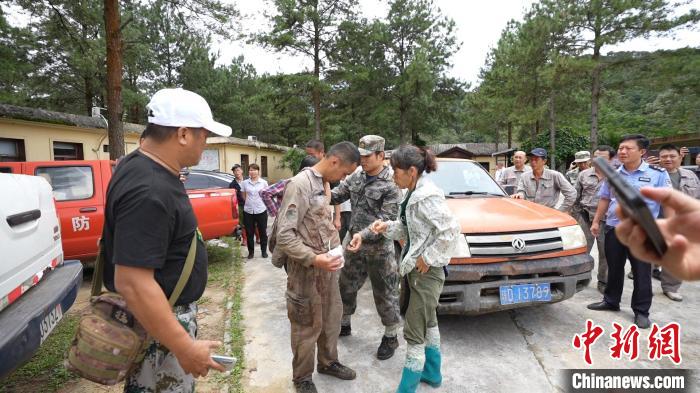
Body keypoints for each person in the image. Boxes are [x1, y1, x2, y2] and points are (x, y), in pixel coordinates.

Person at [102, 88, 231, 392]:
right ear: (184, 134)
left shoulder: (140, 166)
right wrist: (184, 346)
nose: (205, 143)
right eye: (204, 135)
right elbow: (133, 281)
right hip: (158, 330)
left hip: (159, 322)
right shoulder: (150, 189)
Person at [347, 145, 460, 393]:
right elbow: (408, 228)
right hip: (415, 270)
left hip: (425, 273)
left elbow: (450, 231)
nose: (392, 174)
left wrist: (428, 257)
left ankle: (407, 387)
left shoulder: (426, 196)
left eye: (395, 170)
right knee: (428, 323)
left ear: (411, 171)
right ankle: (432, 374)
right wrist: (384, 227)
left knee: (414, 331)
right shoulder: (412, 192)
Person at [275, 142, 360, 393]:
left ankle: (328, 362)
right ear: (334, 162)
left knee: (331, 318)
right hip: (305, 270)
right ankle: (302, 377)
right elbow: (285, 236)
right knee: (305, 324)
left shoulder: (323, 184)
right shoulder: (300, 185)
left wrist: (339, 247)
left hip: (327, 267)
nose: (342, 179)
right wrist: (314, 259)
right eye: (344, 173)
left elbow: (320, 224)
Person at [587, 134, 671, 329]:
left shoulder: (657, 174)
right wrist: (596, 221)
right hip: (614, 229)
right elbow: (605, 199)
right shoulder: (613, 174)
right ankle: (611, 301)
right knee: (614, 268)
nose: (622, 152)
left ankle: (641, 311)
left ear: (642, 152)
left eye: (628, 148)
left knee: (641, 272)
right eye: (621, 148)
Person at [330, 135, 402, 360]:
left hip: (379, 250)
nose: (362, 160)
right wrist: (320, 184)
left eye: (367, 156)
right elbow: (337, 196)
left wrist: (363, 234)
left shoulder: (392, 183)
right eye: (360, 155)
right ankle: (344, 323)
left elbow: (387, 219)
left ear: (381, 155)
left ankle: (391, 336)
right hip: (354, 246)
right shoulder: (356, 176)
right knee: (345, 286)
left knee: (385, 293)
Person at [615, 187, 700, 281]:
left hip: (655, 226)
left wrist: (672, 226)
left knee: (642, 272)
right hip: (635, 228)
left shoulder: (659, 174)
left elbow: (667, 205)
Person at [655, 144, 700, 301]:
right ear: (659, 158)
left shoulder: (690, 175)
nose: (668, 159)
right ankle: (643, 283)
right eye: (664, 156)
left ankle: (670, 287)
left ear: (680, 157)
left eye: (672, 156)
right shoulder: (652, 174)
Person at [573, 146, 615, 294]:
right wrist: (576, 217)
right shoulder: (583, 175)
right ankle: (579, 278)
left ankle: (603, 281)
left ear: (611, 160)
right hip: (585, 217)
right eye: (596, 157)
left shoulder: (616, 176)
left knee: (605, 253)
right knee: (582, 251)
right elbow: (575, 197)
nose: (598, 160)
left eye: (602, 158)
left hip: (607, 221)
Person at [512, 148, 577, 212]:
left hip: (549, 215)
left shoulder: (555, 175)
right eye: (531, 159)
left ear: (544, 161)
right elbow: (521, 191)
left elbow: (571, 193)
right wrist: (520, 195)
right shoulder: (524, 176)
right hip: (529, 213)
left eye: (536, 159)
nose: (533, 162)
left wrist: (559, 211)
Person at [241, 163, 269, 259]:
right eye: (250, 170)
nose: (252, 172)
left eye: (254, 170)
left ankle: (264, 251)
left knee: (263, 232)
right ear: (248, 172)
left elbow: (266, 196)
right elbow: (244, 195)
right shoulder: (245, 183)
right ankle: (251, 252)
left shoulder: (264, 183)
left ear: (258, 171)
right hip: (248, 211)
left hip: (261, 210)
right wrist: (250, 203)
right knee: (249, 232)